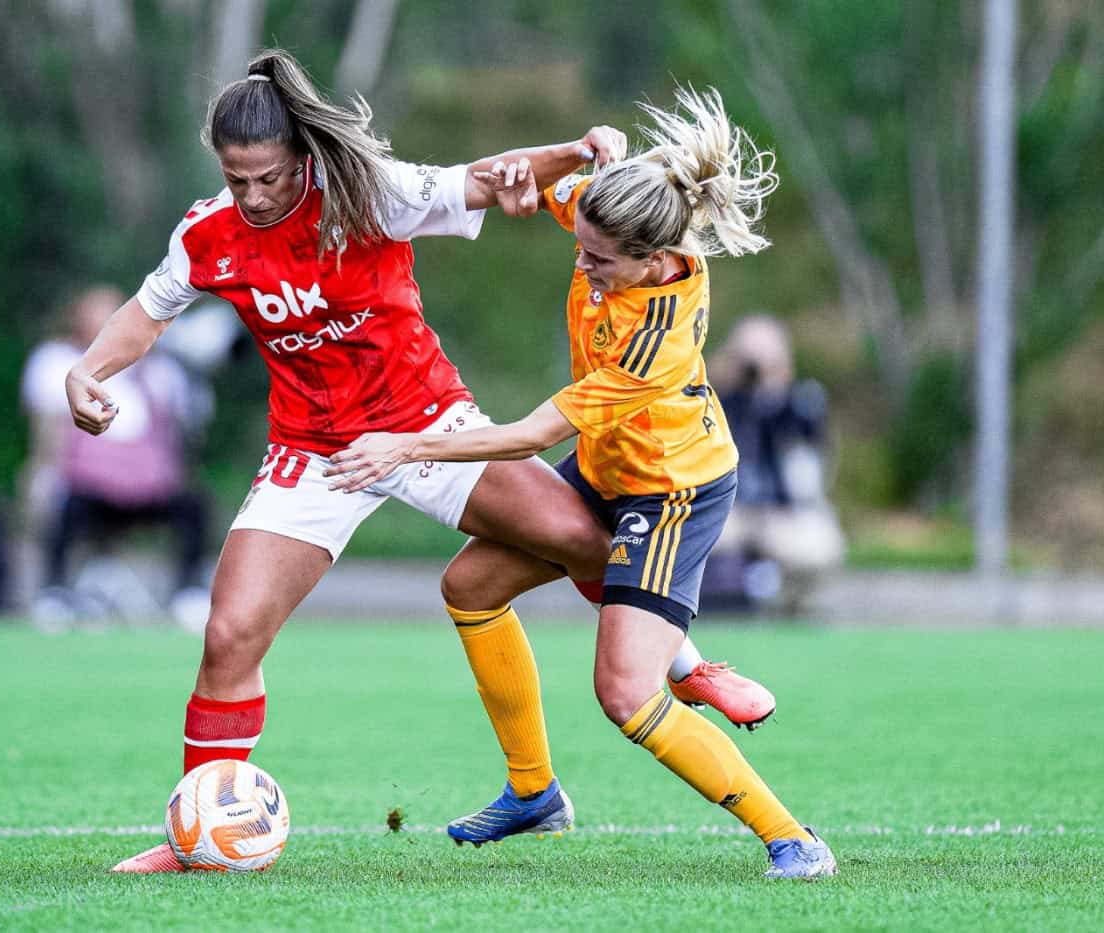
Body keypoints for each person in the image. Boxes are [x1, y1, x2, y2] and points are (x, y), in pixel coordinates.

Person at [64, 50, 775, 873]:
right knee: (228, 634)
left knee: (589, 542)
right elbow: (149, 313)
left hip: (426, 423)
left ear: (301, 153)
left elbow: (481, 179)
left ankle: (689, 671)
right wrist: (88, 371)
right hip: (315, 451)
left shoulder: (369, 194)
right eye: (236, 178)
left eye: (267, 177)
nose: (252, 196)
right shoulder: (207, 232)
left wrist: (574, 154)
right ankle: (197, 840)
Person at [328, 87, 836, 879]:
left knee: (624, 694)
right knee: (470, 585)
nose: (588, 270)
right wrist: (572, 154)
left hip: (673, 493)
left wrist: (404, 446)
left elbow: (531, 433)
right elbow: (531, 189)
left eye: (602, 262)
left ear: (655, 260)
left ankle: (792, 837)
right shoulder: (613, 217)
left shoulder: (654, 341)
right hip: (608, 468)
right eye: (582, 251)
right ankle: (535, 791)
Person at [23, 285, 211, 624]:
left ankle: (189, 592)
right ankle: (54, 593)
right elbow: (48, 433)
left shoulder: (161, 372)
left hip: (149, 488)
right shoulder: (59, 363)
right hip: (88, 487)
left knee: (194, 505)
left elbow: (182, 431)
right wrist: (41, 473)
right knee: (60, 505)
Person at [705, 314, 845, 609]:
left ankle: (788, 603)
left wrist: (773, 391)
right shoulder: (715, 398)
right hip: (729, 511)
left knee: (820, 544)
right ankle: (711, 603)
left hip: (782, 512)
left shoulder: (800, 402)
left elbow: (812, 462)